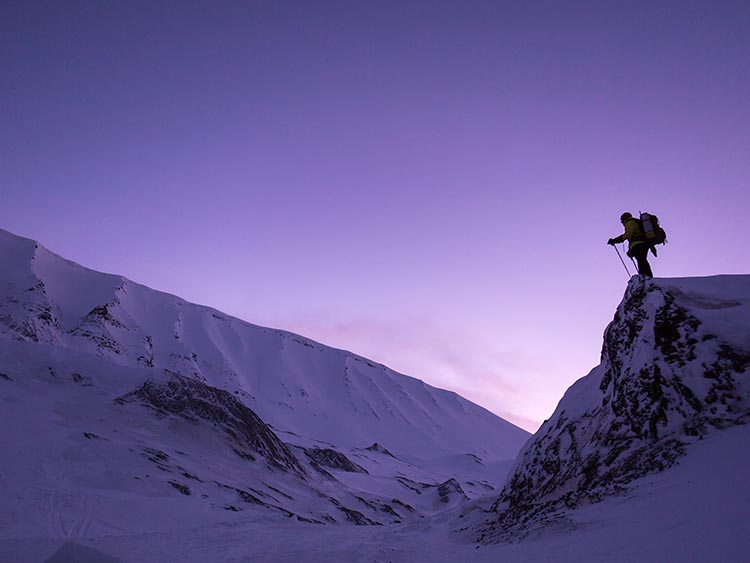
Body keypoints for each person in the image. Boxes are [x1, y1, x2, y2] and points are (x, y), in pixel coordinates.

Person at [608, 212, 653, 278]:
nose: (621, 222)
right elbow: (631, 238)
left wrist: (615, 240)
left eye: (622, 220)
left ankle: (645, 276)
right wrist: (630, 251)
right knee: (642, 260)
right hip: (642, 244)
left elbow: (628, 235)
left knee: (641, 261)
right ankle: (646, 276)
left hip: (638, 245)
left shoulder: (630, 223)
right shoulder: (634, 222)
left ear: (624, 219)